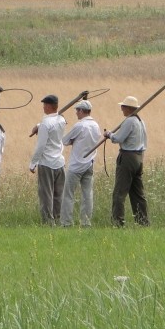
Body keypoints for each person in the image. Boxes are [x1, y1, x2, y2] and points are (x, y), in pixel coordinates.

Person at [104, 96, 149, 227]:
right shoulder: (141, 121)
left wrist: (109, 135)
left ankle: (118, 223)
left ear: (129, 108)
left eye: (123, 107)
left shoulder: (129, 121)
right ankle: (143, 222)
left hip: (128, 157)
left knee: (119, 193)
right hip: (139, 158)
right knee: (138, 193)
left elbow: (119, 138)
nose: (121, 109)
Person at [60, 100, 101, 228]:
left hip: (76, 165)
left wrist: (73, 140)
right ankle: (86, 222)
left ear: (82, 111)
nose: (76, 113)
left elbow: (65, 140)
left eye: (77, 110)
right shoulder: (95, 125)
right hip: (89, 163)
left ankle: (66, 222)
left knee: (68, 194)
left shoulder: (80, 126)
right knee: (87, 194)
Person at [29, 94, 66, 225]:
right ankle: (58, 219)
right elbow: (53, 123)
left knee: (46, 195)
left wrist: (33, 163)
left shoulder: (46, 124)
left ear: (49, 106)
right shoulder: (62, 120)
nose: (43, 107)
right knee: (58, 195)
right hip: (59, 162)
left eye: (45, 105)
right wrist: (39, 125)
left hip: (46, 163)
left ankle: (48, 222)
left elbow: (41, 146)